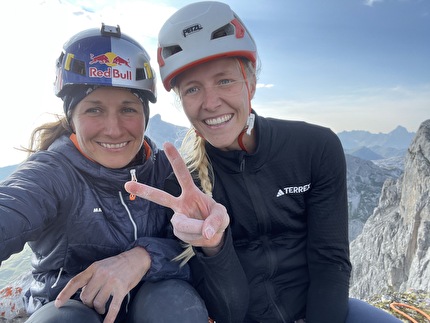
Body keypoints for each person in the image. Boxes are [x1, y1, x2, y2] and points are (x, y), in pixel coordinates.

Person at [125, 2, 403, 323]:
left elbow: (330, 262)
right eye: (193, 89)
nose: (211, 102)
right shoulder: (186, 188)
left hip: (321, 311)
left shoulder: (314, 147)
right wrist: (213, 246)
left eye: (225, 81)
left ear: (251, 83)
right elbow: (229, 310)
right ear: (182, 102)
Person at [0, 23, 208, 323]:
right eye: (94, 110)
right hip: (69, 303)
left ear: (144, 117)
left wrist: (144, 256)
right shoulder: (54, 173)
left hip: (154, 302)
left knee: (174, 306)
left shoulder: (165, 170)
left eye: (128, 109)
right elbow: (13, 204)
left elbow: (197, 246)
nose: (113, 129)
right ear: (72, 117)